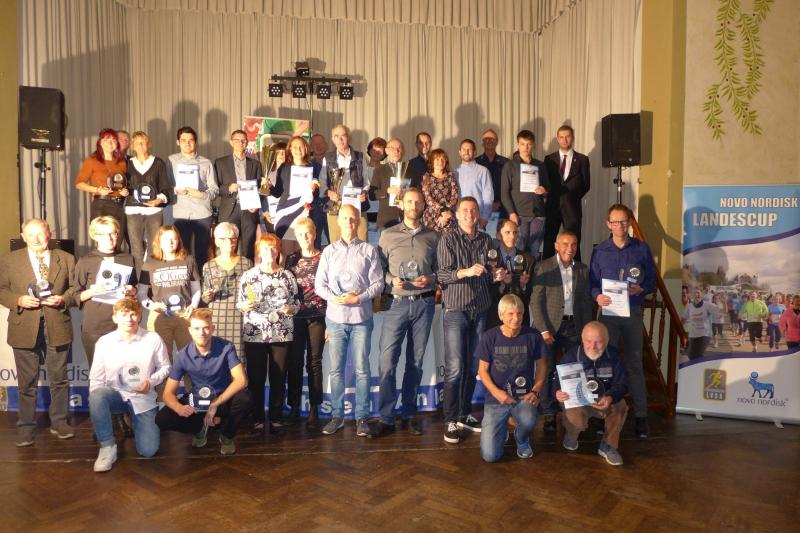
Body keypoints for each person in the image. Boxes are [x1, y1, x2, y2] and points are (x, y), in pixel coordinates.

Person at [0, 219, 76, 446]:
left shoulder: (67, 258)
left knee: (59, 380)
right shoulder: (9, 260)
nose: (36, 239)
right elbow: (1, 290)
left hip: (57, 325)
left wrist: (63, 299)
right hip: (24, 327)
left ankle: (59, 422)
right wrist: (18, 300)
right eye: (30, 234)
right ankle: (25, 426)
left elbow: (75, 289)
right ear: (22, 237)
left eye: (40, 233)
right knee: (27, 383)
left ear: (49, 234)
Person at [371, 188, 439, 438]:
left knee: (416, 362)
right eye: (409, 201)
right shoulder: (387, 235)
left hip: (424, 304)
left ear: (423, 206)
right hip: (396, 304)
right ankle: (386, 417)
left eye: (418, 202)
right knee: (387, 362)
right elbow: (378, 269)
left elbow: (442, 271)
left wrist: (430, 279)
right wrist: (391, 280)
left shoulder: (434, 236)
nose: (413, 206)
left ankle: (409, 413)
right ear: (401, 205)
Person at [437, 197, 506, 443]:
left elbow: (489, 274)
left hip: (480, 311)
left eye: (473, 210)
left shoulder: (487, 240)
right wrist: (465, 271)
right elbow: (442, 275)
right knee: (455, 367)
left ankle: (463, 414)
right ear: (457, 215)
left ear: (478, 214)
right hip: (456, 310)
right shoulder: (447, 239)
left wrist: (496, 275)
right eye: (465, 210)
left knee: (472, 365)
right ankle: (450, 419)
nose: (469, 214)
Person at [314, 204, 384, 437]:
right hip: (335, 319)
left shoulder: (368, 250)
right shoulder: (328, 251)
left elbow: (378, 284)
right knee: (336, 370)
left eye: (353, 219)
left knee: (363, 370)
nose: (349, 222)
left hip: (361, 318)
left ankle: (362, 417)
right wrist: (335, 298)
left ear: (358, 222)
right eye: (345, 218)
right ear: (338, 221)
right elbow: (319, 285)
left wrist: (359, 298)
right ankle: (337, 416)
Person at [590, 204, 655, 438]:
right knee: (603, 363)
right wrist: (597, 296)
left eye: (624, 221)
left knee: (635, 364)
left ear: (629, 223)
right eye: (615, 221)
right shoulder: (600, 251)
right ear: (608, 224)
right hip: (607, 315)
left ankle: (641, 417)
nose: (620, 225)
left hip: (632, 313)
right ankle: (601, 415)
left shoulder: (641, 249)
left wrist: (642, 288)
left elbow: (651, 281)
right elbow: (592, 283)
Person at [88, 298, 170, 472]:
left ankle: (134, 419)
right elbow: (96, 379)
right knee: (97, 395)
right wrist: (97, 408)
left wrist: (150, 382)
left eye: (133, 314)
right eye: (123, 314)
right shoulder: (104, 342)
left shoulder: (153, 338)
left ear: (139, 316)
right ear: (115, 317)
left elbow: (165, 367)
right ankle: (107, 447)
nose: (129, 319)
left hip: (143, 398)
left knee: (148, 451)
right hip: (115, 396)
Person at [155, 309, 251, 455]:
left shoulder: (227, 347)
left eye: (206, 328)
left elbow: (241, 381)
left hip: (222, 399)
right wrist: (179, 408)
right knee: (162, 419)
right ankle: (199, 428)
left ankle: (226, 435)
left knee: (245, 398)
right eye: (197, 328)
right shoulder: (182, 356)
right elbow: (168, 394)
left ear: (212, 328)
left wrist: (215, 403)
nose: (202, 333)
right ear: (190, 330)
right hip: (198, 401)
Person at [531, 230, 593, 433]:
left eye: (573, 244)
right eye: (565, 244)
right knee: (547, 369)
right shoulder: (543, 266)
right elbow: (536, 301)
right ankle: (549, 412)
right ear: (556, 246)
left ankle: (571, 412)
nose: (570, 248)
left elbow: (586, 302)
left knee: (573, 369)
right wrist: (543, 330)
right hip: (549, 327)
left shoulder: (582, 269)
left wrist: (586, 330)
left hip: (574, 327)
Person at [238, 233, 299, 434]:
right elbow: (240, 303)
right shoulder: (249, 276)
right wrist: (244, 306)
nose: (270, 252)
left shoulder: (287, 276)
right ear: (259, 252)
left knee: (278, 378)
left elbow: (297, 303)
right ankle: (257, 419)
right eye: (265, 248)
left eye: (273, 247)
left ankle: (276, 418)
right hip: (255, 333)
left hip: (281, 333)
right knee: (255, 378)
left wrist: (291, 308)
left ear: (278, 250)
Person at [477, 294, 547, 462]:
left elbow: (542, 365)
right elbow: (482, 371)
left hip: (523, 397)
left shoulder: (533, 336)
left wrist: (535, 391)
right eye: (510, 314)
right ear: (501, 315)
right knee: (490, 456)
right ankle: (501, 429)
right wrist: (497, 393)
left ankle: (521, 439)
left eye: (519, 313)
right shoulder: (489, 337)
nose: (516, 318)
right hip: (496, 399)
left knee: (529, 420)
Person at [554, 321, 629, 466]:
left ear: (606, 341)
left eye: (598, 342)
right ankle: (571, 434)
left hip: (603, 400)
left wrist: (610, 397)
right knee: (576, 420)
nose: (593, 347)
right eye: (588, 341)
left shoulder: (614, 356)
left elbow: (622, 384)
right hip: (578, 401)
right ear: (582, 340)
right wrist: (557, 392)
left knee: (621, 406)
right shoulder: (571, 356)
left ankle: (608, 446)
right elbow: (556, 382)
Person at [73, 216, 138, 367]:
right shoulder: (85, 261)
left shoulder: (128, 259)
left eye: (112, 233)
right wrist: (92, 292)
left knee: (123, 372)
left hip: (123, 323)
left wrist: (131, 290)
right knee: (98, 373)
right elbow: (75, 295)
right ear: (94, 236)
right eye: (102, 234)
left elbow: (135, 288)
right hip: (96, 326)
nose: (108, 238)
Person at [285, 218, 327, 428]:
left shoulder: (325, 257)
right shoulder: (291, 259)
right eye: (300, 234)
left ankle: (314, 409)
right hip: (295, 318)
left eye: (308, 233)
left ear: (315, 234)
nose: (305, 237)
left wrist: (330, 322)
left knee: (314, 362)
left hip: (318, 317)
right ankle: (293, 406)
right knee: (294, 362)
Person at [138, 225, 201, 360]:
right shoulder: (150, 263)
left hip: (184, 315)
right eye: (166, 239)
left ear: (179, 240)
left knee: (189, 357)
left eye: (174, 238)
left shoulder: (188, 260)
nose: (170, 242)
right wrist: (151, 305)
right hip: (159, 315)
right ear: (159, 241)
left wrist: (193, 306)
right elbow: (141, 293)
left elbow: (196, 289)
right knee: (161, 359)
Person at [168, 126, 218, 270]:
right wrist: (175, 190)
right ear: (178, 142)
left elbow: (214, 190)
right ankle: (185, 279)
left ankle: (202, 280)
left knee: (202, 252)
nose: (187, 143)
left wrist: (201, 195)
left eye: (190, 140)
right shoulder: (171, 161)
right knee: (182, 251)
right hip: (181, 213)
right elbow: (165, 187)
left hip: (202, 213)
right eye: (183, 140)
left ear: (195, 142)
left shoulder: (206, 162)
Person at [201, 222, 253, 360]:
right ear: (217, 241)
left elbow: (251, 291)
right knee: (217, 358)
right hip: (217, 318)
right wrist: (207, 295)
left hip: (239, 318)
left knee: (238, 359)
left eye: (233, 238)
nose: (229, 242)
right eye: (224, 239)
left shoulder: (246, 263)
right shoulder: (208, 266)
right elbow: (204, 298)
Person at [214, 129, 264, 262]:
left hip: (249, 210)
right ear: (231, 142)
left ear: (247, 142)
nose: (240, 143)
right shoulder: (220, 163)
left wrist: (256, 204)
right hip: (230, 209)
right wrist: (228, 188)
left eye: (243, 140)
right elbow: (216, 188)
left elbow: (259, 188)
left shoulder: (256, 164)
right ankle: (227, 273)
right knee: (227, 247)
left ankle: (247, 273)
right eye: (237, 140)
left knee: (248, 247)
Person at [125, 131, 171, 274]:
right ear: (132, 146)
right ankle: (141, 282)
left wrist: (159, 199)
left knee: (154, 247)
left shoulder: (158, 163)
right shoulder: (127, 163)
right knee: (136, 249)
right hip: (133, 211)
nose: (140, 145)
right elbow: (122, 184)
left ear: (149, 144)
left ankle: (152, 279)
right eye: (137, 143)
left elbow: (166, 187)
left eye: (143, 142)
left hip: (154, 211)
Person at [543, 125, 591, 260]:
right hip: (552, 207)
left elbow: (586, 185)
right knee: (549, 241)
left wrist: (571, 197)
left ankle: (576, 271)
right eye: (561, 137)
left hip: (572, 208)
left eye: (568, 137)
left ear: (572, 138)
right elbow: (546, 182)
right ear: (557, 139)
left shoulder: (582, 159)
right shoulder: (549, 159)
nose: (565, 140)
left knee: (573, 242)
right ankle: (547, 270)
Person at [74, 128, 129, 243]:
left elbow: (122, 183)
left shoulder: (121, 162)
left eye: (113, 140)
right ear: (100, 142)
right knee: (103, 242)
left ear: (117, 143)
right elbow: (79, 184)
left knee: (117, 241)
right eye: (107, 140)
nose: (110, 143)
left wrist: (124, 191)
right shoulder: (92, 161)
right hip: (101, 205)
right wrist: (97, 190)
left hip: (118, 205)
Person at [500, 130, 549, 258]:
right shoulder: (509, 165)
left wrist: (544, 190)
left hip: (538, 215)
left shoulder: (540, 165)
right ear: (518, 145)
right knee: (518, 251)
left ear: (533, 145)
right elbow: (504, 193)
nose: (526, 148)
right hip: (518, 215)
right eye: (522, 144)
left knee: (534, 251)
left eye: (529, 144)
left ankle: (532, 272)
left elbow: (548, 187)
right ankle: (516, 272)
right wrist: (511, 213)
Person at [273, 136, 324, 254]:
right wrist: (268, 186)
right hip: (286, 213)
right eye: (295, 147)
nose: (298, 149)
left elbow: (320, 193)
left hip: (306, 212)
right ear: (290, 149)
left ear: (306, 148)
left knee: (303, 253)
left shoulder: (315, 167)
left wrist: (314, 189)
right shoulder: (284, 168)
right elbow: (278, 192)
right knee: (286, 254)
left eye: (301, 146)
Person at [322, 124, 369, 242]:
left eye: (343, 135)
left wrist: (364, 192)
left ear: (348, 138)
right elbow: (322, 181)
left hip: (357, 205)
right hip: (335, 206)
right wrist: (329, 193)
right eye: (336, 136)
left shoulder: (360, 157)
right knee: (337, 242)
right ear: (333, 139)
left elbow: (366, 181)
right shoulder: (327, 158)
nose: (340, 139)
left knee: (361, 241)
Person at [486, 219, 533, 330]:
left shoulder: (528, 259)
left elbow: (533, 293)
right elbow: (484, 290)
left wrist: (523, 286)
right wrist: (501, 283)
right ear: (498, 235)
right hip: (495, 318)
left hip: (519, 320)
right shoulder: (488, 259)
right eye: (507, 232)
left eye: (515, 232)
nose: (512, 236)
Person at [369, 138, 418, 230]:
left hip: (406, 219)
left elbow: (416, 192)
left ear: (402, 151)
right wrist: (387, 191)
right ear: (386, 151)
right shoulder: (379, 171)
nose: (396, 151)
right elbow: (372, 195)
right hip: (386, 221)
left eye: (399, 148)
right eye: (393, 148)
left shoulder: (410, 171)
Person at [454, 139, 494, 230]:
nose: (466, 152)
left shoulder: (483, 171)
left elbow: (488, 196)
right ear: (459, 152)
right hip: (460, 220)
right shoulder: (455, 173)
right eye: (464, 149)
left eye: (470, 149)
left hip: (477, 218)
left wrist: (484, 217)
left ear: (475, 152)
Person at [421, 149, 459, 234]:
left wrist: (446, 211)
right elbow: (427, 197)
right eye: (437, 159)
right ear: (432, 161)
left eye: (443, 159)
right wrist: (441, 210)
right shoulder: (427, 176)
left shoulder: (451, 176)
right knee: (431, 239)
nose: (440, 162)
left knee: (448, 239)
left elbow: (454, 196)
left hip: (448, 213)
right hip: (431, 214)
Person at [475, 128, 509, 220]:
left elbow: (510, 186)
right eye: (486, 139)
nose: (489, 141)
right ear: (482, 142)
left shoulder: (506, 163)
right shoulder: (475, 163)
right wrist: (488, 205)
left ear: (497, 142)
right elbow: (474, 187)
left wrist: (499, 203)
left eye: (492, 139)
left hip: (502, 209)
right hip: (481, 209)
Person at [682, 288, 715, 360]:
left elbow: (721, 311)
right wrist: (679, 328)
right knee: (691, 355)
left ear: (702, 295)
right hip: (693, 335)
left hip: (705, 334)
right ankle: (700, 365)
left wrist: (723, 303)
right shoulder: (689, 306)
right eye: (695, 293)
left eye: (698, 293)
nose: (696, 295)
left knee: (698, 354)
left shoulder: (707, 305)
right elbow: (683, 319)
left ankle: (701, 364)